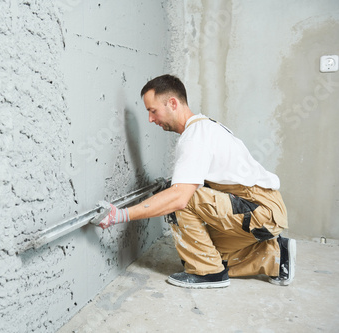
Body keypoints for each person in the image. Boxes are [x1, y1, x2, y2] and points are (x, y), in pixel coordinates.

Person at [96, 74, 296, 289]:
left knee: (178, 201)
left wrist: (120, 215)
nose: (151, 119)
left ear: (172, 103)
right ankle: (275, 255)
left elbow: (180, 199)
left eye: (152, 111)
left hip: (261, 210)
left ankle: (209, 274)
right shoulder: (205, 127)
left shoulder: (195, 137)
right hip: (264, 209)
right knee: (206, 251)